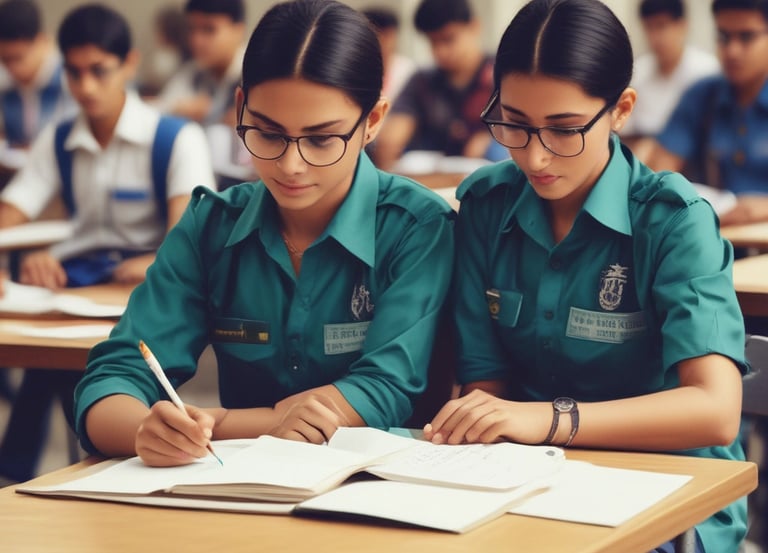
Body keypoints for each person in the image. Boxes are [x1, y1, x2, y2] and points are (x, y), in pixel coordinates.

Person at [423, 1, 748, 552]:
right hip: (529, 481)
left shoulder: (671, 221)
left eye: (565, 129)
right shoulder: (486, 207)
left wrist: (548, 421)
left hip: (669, 489)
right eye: (515, 125)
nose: (535, 156)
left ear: (621, 109)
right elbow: (489, 384)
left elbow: (715, 411)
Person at [73, 0, 454, 468]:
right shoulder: (210, 226)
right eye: (268, 133)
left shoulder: (416, 227)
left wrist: (226, 422)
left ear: (372, 121)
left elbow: (383, 390)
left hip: (380, 498)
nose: (291, 165)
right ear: (240, 108)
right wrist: (144, 431)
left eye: (321, 139)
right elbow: (113, 376)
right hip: (234, 493)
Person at [0, 3, 215, 484]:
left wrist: (156, 262)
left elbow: (190, 236)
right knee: (52, 362)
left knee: (65, 370)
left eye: (100, 71)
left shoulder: (177, 138)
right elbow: (11, 213)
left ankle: (23, 471)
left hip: (146, 293)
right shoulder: (58, 138)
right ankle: (74, 466)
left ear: (130, 64)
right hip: (76, 288)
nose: (86, 86)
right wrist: (36, 260)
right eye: (74, 73)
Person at [646, 0, 768, 226]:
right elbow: (658, 173)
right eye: (723, 36)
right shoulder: (702, 95)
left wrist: (761, 208)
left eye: (746, 37)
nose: (732, 51)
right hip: (719, 234)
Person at [372, 0, 494, 171]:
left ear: (474, 27)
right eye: (433, 42)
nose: (440, 51)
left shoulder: (501, 75)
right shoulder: (422, 81)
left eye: (448, 39)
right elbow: (392, 137)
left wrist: (491, 138)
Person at [621, 0, 720, 162]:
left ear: (682, 26)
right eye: (649, 27)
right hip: (642, 151)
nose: (655, 37)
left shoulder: (706, 72)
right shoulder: (638, 72)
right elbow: (627, 130)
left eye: (661, 26)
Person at [154, 0, 245, 127]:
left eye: (209, 30)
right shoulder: (192, 71)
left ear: (238, 30)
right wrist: (177, 110)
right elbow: (153, 111)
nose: (196, 41)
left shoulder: (256, 74)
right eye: (192, 30)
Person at [0, 0, 72, 149]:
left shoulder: (72, 79)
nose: (11, 68)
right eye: (4, 60)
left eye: (17, 58)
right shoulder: (4, 82)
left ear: (41, 41)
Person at [362, 7, 417, 104]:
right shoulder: (353, 70)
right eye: (379, 36)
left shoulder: (409, 71)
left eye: (389, 36)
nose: (385, 43)